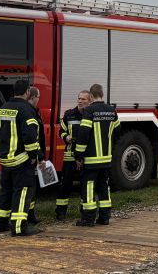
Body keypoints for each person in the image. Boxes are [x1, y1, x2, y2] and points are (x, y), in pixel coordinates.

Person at [0, 81, 43, 236]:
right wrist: (34, 156)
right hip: (21, 159)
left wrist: (0, 150)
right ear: (27, 92)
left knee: (5, 191)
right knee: (22, 192)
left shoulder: (3, 108)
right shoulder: (26, 110)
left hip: (5, 159)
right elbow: (29, 136)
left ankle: (0, 224)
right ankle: (19, 227)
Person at [74, 83, 118, 227]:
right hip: (106, 158)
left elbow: (84, 133)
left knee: (89, 188)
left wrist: (78, 154)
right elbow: (117, 129)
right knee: (104, 187)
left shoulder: (89, 110)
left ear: (91, 96)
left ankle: (88, 219)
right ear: (102, 94)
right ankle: (105, 217)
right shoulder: (111, 110)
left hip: (92, 159)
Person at [55, 90, 92, 220]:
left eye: (84, 99)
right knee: (65, 184)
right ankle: (60, 211)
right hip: (70, 156)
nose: (80, 101)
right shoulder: (69, 115)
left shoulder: (91, 116)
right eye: (79, 98)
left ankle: (84, 211)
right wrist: (66, 137)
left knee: (84, 185)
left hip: (86, 157)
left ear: (90, 101)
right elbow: (61, 131)